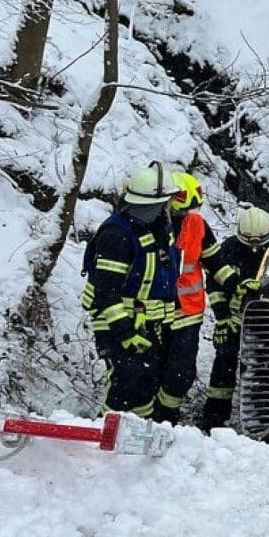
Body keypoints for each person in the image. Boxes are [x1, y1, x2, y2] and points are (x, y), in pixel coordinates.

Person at [81, 162, 180, 418]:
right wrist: (125, 332)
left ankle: (137, 437)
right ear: (153, 204)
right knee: (127, 384)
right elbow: (106, 292)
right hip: (117, 324)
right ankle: (107, 438)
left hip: (144, 324)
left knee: (145, 384)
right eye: (166, 202)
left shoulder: (152, 229)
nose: (170, 208)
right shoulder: (118, 234)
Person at [152, 171, 228, 425]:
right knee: (149, 369)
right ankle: (146, 415)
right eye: (182, 212)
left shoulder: (198, 225)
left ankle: (167, 417)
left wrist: (235, 283)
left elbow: (214, 262)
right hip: (152, 312)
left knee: (181, 372)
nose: (187, 216)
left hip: (187, 312)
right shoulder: (149, 225)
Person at [200, 206, 269, 431]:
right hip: (234, 319)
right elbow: (214, 285)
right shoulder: (227, 250)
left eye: (258, 243)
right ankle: (214, 418)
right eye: (248, 243)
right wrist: (222, 318)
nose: (254, 248)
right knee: (224, 362)